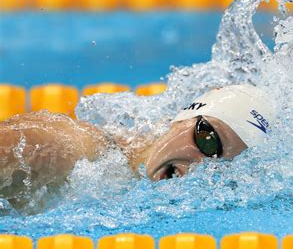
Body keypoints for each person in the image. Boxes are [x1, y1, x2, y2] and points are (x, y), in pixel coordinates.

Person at [0, 85, 275, 209]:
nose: (201, 168)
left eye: (224, 170)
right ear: (182, 117)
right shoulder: (79, 150)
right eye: (208, 140)